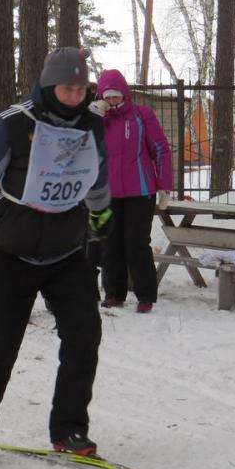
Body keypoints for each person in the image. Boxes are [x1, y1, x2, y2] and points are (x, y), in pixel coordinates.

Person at [0, 47, 112, 458]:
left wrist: (101, 214)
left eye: (81, 89)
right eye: (66, 89)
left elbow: (97, 175)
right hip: (13, 249)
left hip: (66, 249)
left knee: (84, 335)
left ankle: (70, 428)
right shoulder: (14, 125)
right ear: (47, 85)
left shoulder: (91, 126)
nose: (74, 97)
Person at [93, 69, 173, 314]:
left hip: (140, 191)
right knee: (110, 245)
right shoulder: (97, 119)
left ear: (124, 95)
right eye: (108, 97)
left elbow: (160, 149)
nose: (112, 101)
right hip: (108, 193)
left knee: (137, 244)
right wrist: (92, 118)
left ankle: (145, 295)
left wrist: (164, 185)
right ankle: (114, 294)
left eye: (116, 96)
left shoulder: (142, 115)